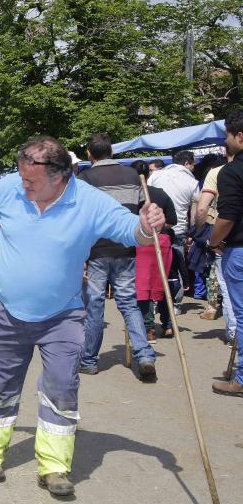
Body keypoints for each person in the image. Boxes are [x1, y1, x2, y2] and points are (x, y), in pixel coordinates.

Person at [0, 136, 165, 496]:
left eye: (30, 180)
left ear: (60, 176)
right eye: (21, 178)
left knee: (62, 388)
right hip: (5, 311)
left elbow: (133, 233)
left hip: (62, 316)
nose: (23, 185)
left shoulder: (90, 202)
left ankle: (53, 466)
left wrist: (147, 225)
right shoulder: (10, 190)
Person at [78, 134, 158, 379]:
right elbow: (145, 211)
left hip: (97, 251)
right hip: (126, 249)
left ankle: (90, 360)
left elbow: (81, 220)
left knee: (94, 307)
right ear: (111, 151)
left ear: (90, 154)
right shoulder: (133, 176)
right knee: (129, 303)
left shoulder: (85, 179)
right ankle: (144, 354)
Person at [210, 108, 243, 396]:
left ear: (240, 137)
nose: (225, 141)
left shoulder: (231, 171)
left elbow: (227, 216)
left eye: (228, 136)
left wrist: (212, 241)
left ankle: (242, 379)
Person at [148, 150, 200, 326]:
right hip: (178, 229)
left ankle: (154, 302)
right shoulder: (192, 182)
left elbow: (146, 197)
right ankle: (174, 305)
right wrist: (194, 231)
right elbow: (195, 211)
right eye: (193, 164)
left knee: (153, 266)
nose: (194, 168)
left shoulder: (156, 176)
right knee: (175, 268)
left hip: (154, 228)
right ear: (187, 163)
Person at [131, 160, 178, 344]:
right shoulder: (161, 194)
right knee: (162, 284)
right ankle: (167, 324)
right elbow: (173, 220)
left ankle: (149, 328)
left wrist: (149, 226)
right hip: (162, 240)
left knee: (144, 287)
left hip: (142, 242)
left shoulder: (134, 195)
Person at [194, 155, 236, 343]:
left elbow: (202, 209)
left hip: (226, 238)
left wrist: (209, 239)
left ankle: (234, 332)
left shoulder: (217, 173)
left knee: (227, 286)